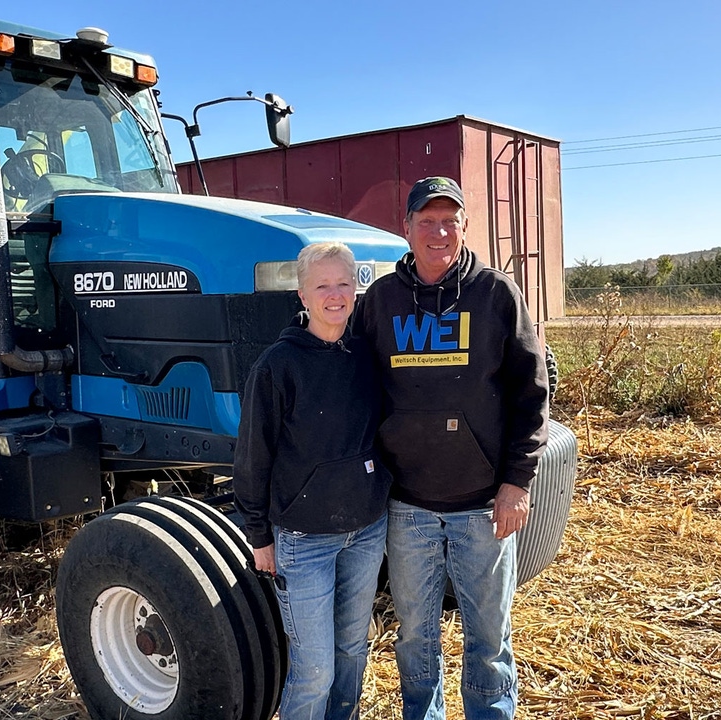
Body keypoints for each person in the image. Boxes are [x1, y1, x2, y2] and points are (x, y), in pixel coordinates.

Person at [355, 177, 549, 720]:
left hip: (482, 506)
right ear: (407, 229)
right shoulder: (382, 301)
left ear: (464, 227)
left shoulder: (495, 294)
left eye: (449, 221)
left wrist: (517, 482)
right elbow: (357, 387)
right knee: (415, 639)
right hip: (408, 506)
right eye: (427, 221)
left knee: (489, 638)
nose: (438, 232)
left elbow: (531, 392)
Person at [234, 241, 393, 720]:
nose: (335, 295)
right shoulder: (278, 365)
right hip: (304, 541)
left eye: (343, 283)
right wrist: (259, 535)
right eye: (322, 286)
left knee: (353, 651)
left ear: (356, 289)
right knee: (315, 669)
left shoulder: (366, 355)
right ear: (302, 295)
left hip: (366, 531)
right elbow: (253, 456)